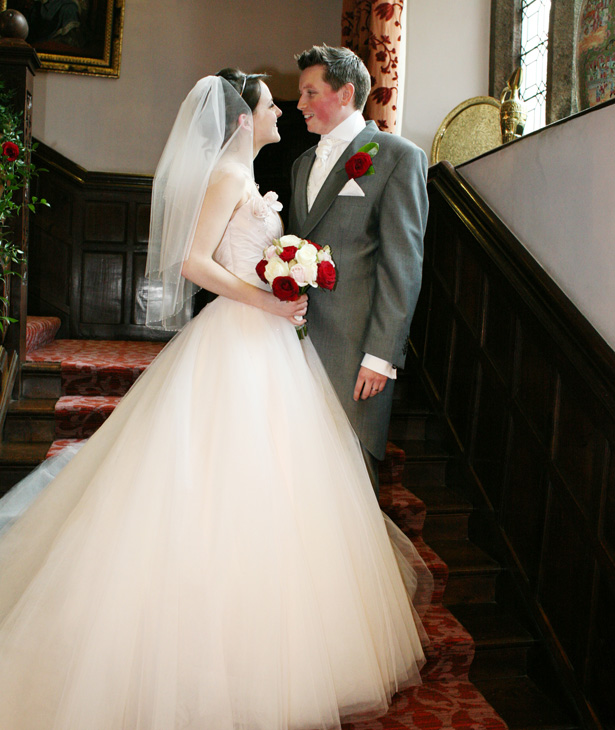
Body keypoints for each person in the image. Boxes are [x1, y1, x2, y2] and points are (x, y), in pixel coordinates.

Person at [0, 70, 432, 730]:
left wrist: (281, 278)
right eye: (269, 107)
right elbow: (195, 264)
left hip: (268, 341)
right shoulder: (228, 178)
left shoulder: (253, 175)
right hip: (237, 338)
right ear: (240, 118)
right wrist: (267, 297)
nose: (281, 114)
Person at [289, 45, 429, 493]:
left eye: (311, 92)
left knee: (346, 488)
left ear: (346, 93)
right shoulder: (300, 165)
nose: (300, 104)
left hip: (355, 355)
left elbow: (401, 264)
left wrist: (381, 355)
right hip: (292, 348)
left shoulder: (397, 157)